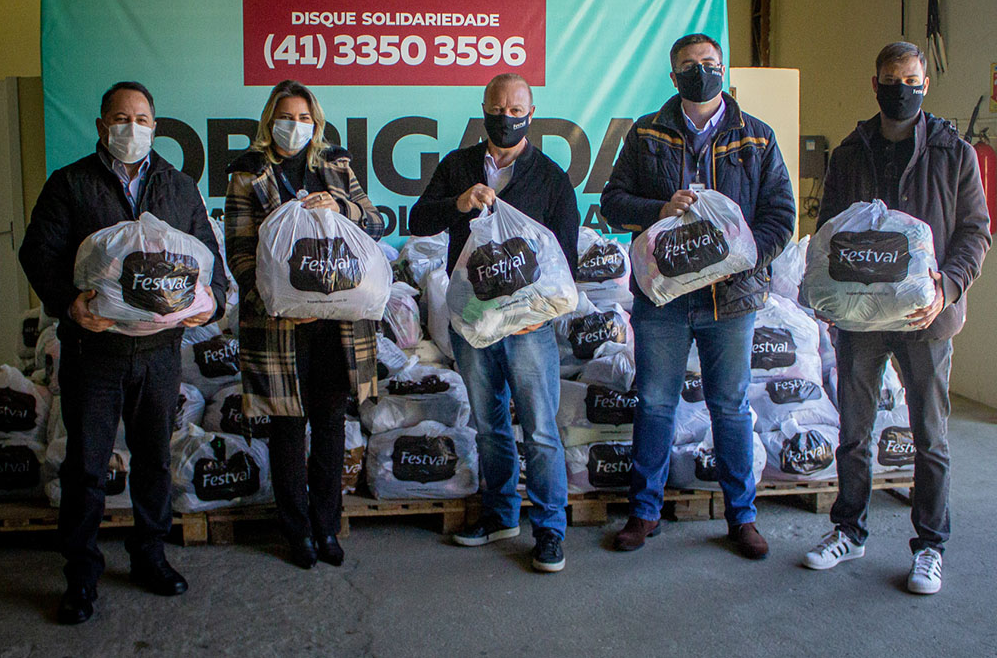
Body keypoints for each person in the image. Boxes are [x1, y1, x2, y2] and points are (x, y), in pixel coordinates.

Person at [19, 81, 227, 624]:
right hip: (94, 349)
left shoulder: (179, 187)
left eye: (141, 119)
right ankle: (81, 577)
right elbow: (37, 251)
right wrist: (68, 303)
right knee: (86, 465)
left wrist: (216, 303)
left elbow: (210, 261)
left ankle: (149, 557)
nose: (130, 128)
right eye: (120, 118)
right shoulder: (70, 184)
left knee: (154, 460)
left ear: (155, 127)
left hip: (160, 352)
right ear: (100, 126)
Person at [801, 42, 990, 594]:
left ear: (925, 84)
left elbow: (974, 232)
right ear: (875, 83)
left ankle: (930, 546)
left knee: (930, 437)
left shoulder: (953, 152)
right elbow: (829, 232)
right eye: (890, 79)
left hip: (926, 319)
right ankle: (849, 530)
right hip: (860, 319)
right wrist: (827, 298)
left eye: (910, 79)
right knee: (854, 432)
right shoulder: (851, 151)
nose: (900, 88)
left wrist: (947, 286)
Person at [601, 34, 795, 558]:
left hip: (731, 301)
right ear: (673, 77)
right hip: (664, 298)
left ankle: (742, 518)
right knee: (656, 402)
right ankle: (644, 512)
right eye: (689, 67)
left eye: (709, 64)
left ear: (722, 69)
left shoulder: (756, 138)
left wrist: (741, 258)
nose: (700, 72)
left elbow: (782, 215)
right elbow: (611, 204)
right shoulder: (646, 133)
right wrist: (659, 209)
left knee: (730, 407)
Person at [409, 73, 579, 573]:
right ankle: (500, 516)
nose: (507, 118)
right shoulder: (457, 166)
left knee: (542, 431)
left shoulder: (549, 177)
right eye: (498, 108)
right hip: (474, 325)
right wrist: (457, 203)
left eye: (516, 109)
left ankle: (550, 530)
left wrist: (535, 312)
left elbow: (564, 261)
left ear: (531, 111)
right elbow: (419, 221)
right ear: (484, 108)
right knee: (490, 428)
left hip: (528, 331)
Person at [224, 80, 384, 570]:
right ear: (270, 119)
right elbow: (240, 253)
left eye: (305, 117)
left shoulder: (336, 166)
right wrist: (280, 303)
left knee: (331, 424)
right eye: (286, 116)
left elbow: (375, 223)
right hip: (279, 327)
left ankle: (327, 526)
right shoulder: (247, 175)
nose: (295, 126)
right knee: (288, 427)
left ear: (316, 122)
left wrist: (344, 207)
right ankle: (297, 532)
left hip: (338, 327)